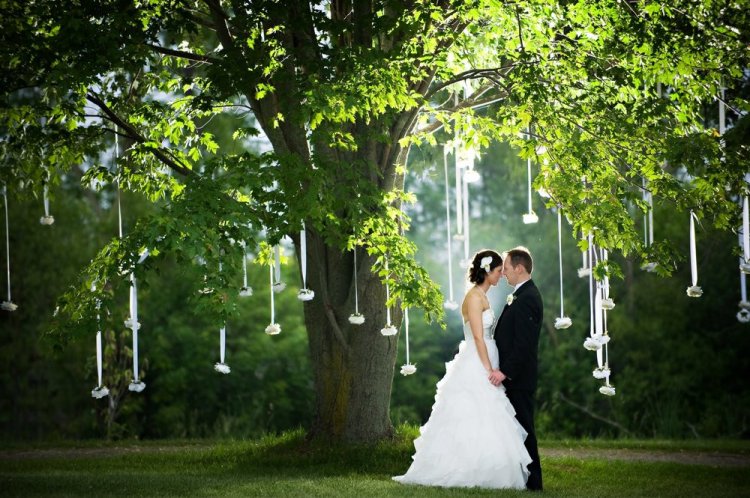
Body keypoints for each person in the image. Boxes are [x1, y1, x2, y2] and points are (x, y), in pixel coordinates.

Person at [393, 249, 531, 489]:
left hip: (487, 355)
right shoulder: (474, 297)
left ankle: (488, 467)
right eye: (499, 271)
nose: (501, 275)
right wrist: (489, 368)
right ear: (487, 271)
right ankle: (465, 468)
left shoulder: (482, 295)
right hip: (478, 360)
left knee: (489, 413)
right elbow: (477, 337)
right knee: (473, 410)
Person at [489, 246, 544, 491]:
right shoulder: (521, 294)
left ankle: (534, 483)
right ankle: (519, 478)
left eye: (507, 268)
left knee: (524, 429)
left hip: (519, 379)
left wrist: (505, 372)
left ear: (519, 268)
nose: (503, 273)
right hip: (514, 378)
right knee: (515, 430)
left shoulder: (529, 297)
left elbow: (524, 344)